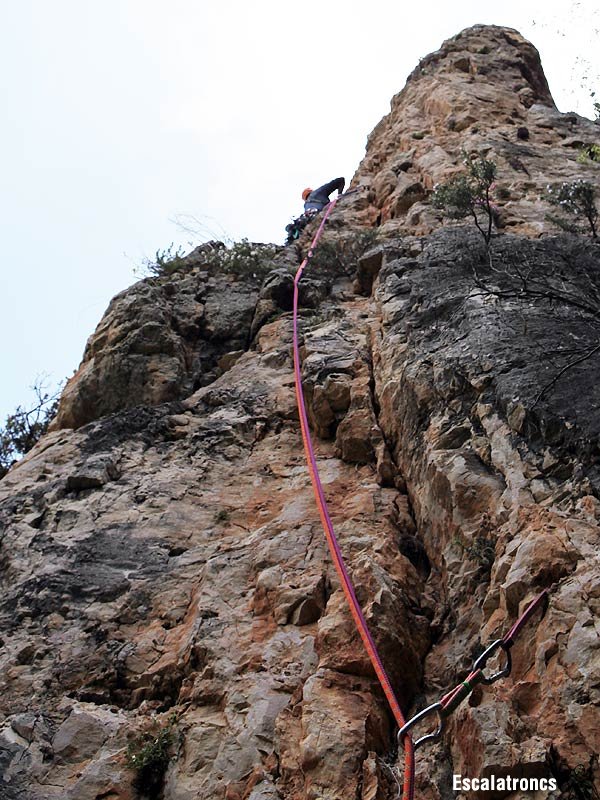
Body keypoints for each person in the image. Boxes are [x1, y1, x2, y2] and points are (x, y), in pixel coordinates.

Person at [285, 177, 345, 244]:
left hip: (306, 221)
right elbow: (340, 180)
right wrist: (340, 195)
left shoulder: (306, 206)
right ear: (311, 192)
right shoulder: (317, 193)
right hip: (318, 215)